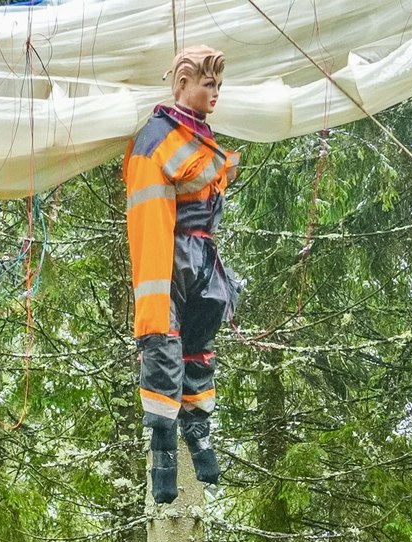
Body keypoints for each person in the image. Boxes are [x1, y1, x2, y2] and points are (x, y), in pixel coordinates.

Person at [124, 45, 239, 504]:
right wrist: (156, 291)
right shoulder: (156, 140)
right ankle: (164, 449)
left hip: (203, 262)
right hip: (170, 259)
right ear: (182, 84)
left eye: (218, 85)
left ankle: (198, 430)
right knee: (164, 344)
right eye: (208, 84)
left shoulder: (198, 138)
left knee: (199, 347)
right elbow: (150, 222)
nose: (215, 93)